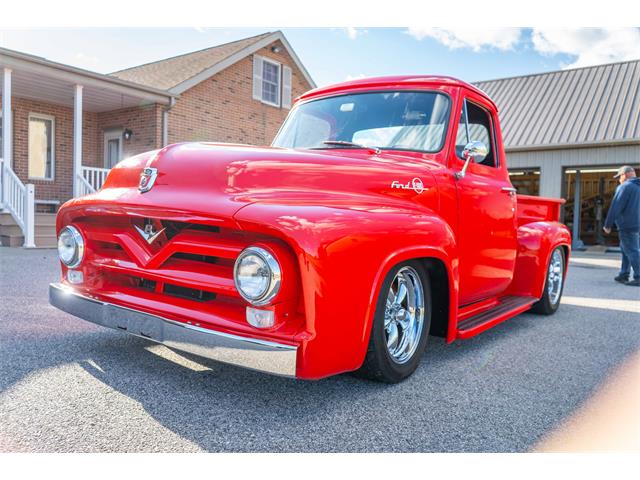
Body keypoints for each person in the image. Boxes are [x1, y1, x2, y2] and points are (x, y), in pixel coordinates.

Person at [603, 165, 640, 286]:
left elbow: (616, 206)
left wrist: (608, 224)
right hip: (636, 224)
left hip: (627, 225)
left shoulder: (624, 187)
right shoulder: (637, 187)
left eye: (619, 177)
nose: (619, 180)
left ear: (624, 175)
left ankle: (639, 276)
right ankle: (624, 274)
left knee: (632, 250)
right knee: (626, 249)